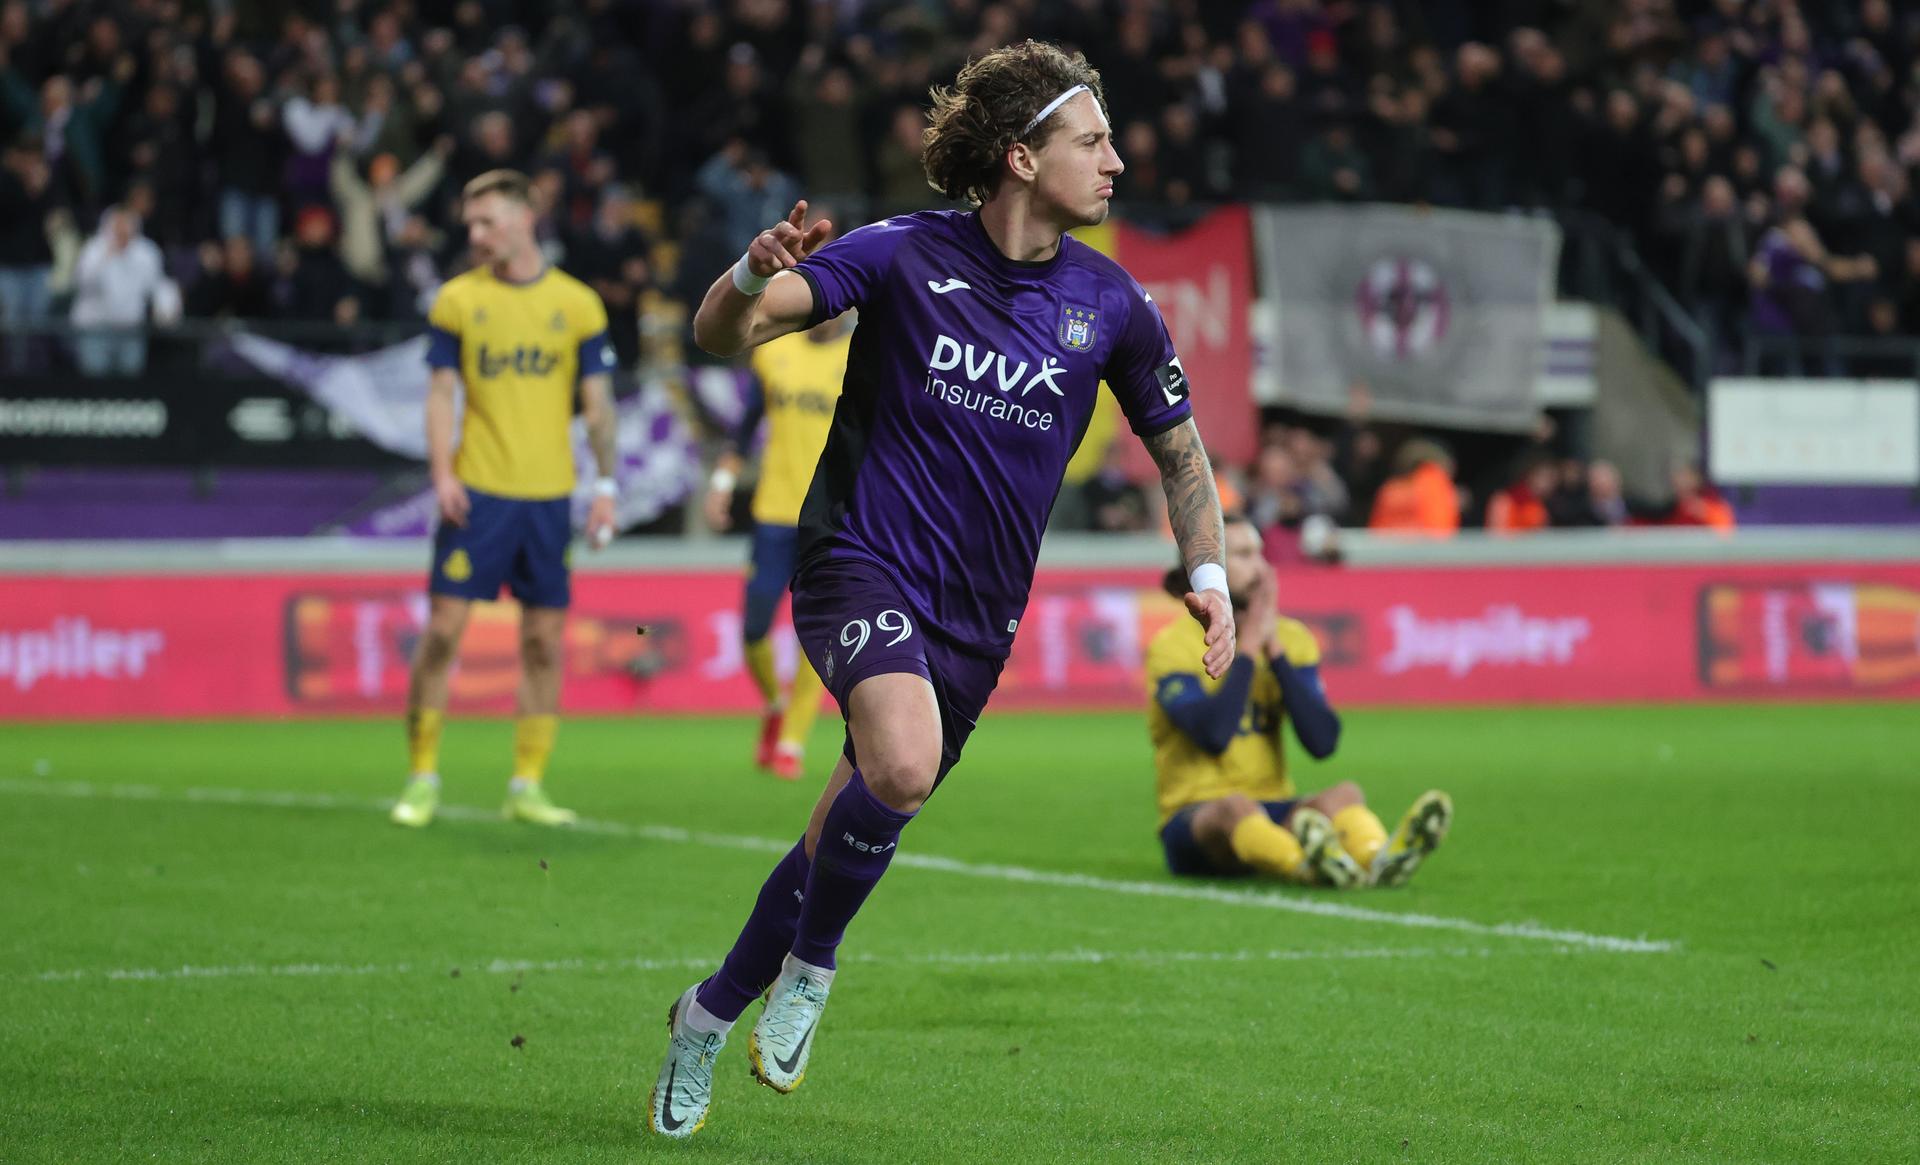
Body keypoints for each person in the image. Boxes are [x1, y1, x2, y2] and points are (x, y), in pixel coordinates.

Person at [649, 40, 1234, 1139]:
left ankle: (707, 1013)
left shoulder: (1112, 303)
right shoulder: (901, 253)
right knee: (905, 763)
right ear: (1022, 157)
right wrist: (747, 273)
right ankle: (814, 966)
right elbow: (727, 334)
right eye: (1093, 141)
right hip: (856, 558)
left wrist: (1210, 574)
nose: (1116, 161)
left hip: (977, 617)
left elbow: (1181, 454)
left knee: (843, 826)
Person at [388, 169, 620, 830]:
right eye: (470, 223)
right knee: (442, 632)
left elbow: (598, 407)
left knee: (544, 642)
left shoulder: (578, 304)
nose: (475, 234)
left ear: (525, 218)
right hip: (478, 492)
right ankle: (422, 775)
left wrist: (605, 487)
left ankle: (527, 784)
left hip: (549, 498)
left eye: (486, 221)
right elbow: (440, 393)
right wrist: (442, 473)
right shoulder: (458, 300)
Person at [1147, 513, 1450, 886]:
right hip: (1197, 817)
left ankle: (1378, 857)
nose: (1260, 568)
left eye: (1260, 553)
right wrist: (1249, 645)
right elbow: (1213, 735)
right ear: (1207, 570)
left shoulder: (1292, 639)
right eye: (1243, 555)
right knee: (1234, 807)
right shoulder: (1172, 646)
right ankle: (1305, 866)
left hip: (1272, 807)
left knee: (1344, 794)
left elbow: (1322, 742)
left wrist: (1274, 651)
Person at [704, 218, 847, 782]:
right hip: (772, 511)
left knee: (817, 633)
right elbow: (744, 431)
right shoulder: (775, 351)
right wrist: (721, 486)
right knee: (753, 630)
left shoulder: (860, 356)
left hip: (830, 518)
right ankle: (773, 702)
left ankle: (791, 741)